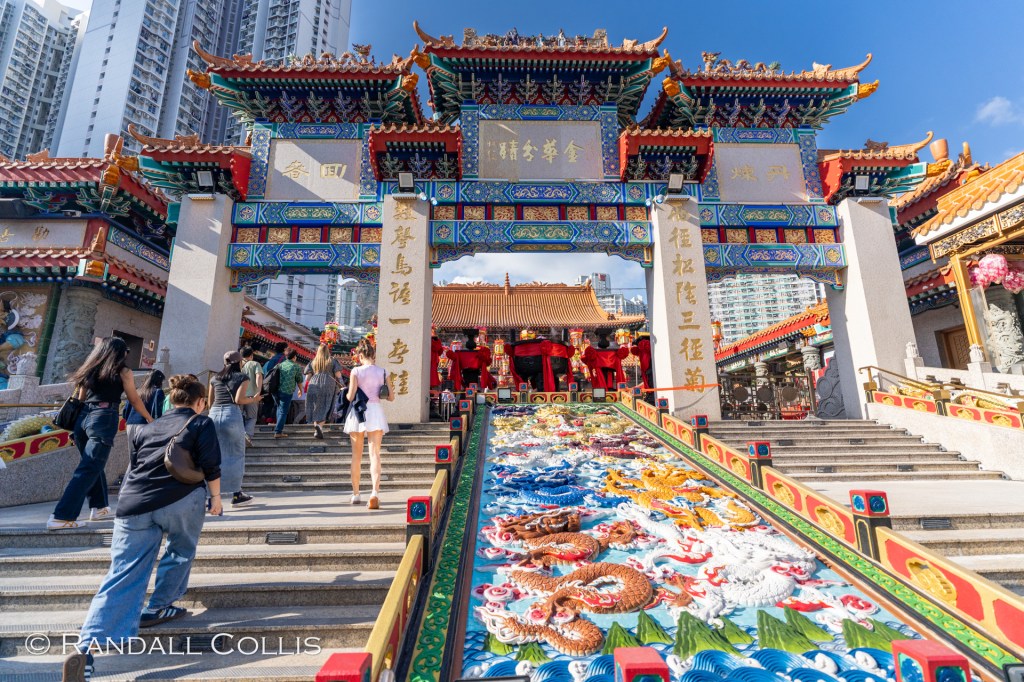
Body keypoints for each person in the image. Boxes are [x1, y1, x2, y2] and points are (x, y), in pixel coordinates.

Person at [61, 374, 221, 682]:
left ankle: (86, 649)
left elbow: (136, 466)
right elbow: (211, 465)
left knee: (122, 572)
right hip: (180, 498)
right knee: (180, 549)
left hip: (132, 503)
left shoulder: (147, 427)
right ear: (201, 402)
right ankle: (159, 606)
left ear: (169, 400)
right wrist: (215, 499)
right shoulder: (201, 423)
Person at [48, 337, 154, 530]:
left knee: (92, 464)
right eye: (126, 352)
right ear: (120, 353)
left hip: (82, 420)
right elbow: (134, 399)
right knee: (89, 467)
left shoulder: (88, 369)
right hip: (103, 418)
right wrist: (149, 418)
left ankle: (99, 506)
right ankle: (62, 516)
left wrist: (76, 428)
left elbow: (79, 399)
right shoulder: (123, 371)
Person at [343, 338, 394, 509]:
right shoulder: (383, 371)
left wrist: (347, 391)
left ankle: (356, 494)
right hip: (375, 411)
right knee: (375, 455)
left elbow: (350, 397)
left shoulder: (356, 371)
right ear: (373, 355)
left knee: (356, 456)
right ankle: (374, 493)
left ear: (359, 355)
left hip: (359, 412)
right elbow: (391, 397)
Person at [207, 351, 262, 507]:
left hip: (214, 414)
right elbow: (239, 400)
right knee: (236, 454)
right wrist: (254, 399)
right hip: (232, 414)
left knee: (213, 455)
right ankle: (237, 494)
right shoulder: (242, 377)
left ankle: (211, 496)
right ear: (239, 363)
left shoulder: (214, 378)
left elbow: (210, 401)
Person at [303, 343, 344, 439]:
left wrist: (304, 387)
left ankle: (316, 428)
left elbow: (307, 378)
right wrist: (342, 384)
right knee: (326, 405)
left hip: (314, 384)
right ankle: (319, 427)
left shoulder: (313, 362)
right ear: (327, 351)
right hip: (328, 384)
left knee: (315, 406)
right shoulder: (332, 361)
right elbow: (338, 375)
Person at [123, 369, 165, 447]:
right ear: (159, 380)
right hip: (146, 424)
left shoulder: (137, 391)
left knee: (132, 454)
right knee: (145, 453)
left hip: (130, 424)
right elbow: (157, 411)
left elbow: (125, 410)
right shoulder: (158, 392)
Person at [273, 349, 304, 439]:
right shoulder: (295, 367)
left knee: (279, 409)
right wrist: (300, 390)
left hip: (276, 391)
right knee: (283, 411)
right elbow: (299, 380)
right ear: (294, 357)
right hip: (287, 391)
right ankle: (278, 431)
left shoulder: (280, 365)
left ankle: (278, 428)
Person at [239, 346, 263, 442]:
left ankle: (239, 435)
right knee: (252, 417)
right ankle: (247, 436)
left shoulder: (238, 365)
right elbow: (258, 376)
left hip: (239, 396)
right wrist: (258, 391)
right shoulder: (255, 364)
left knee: (239, 416)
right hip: (251, 396)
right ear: (251, 355)